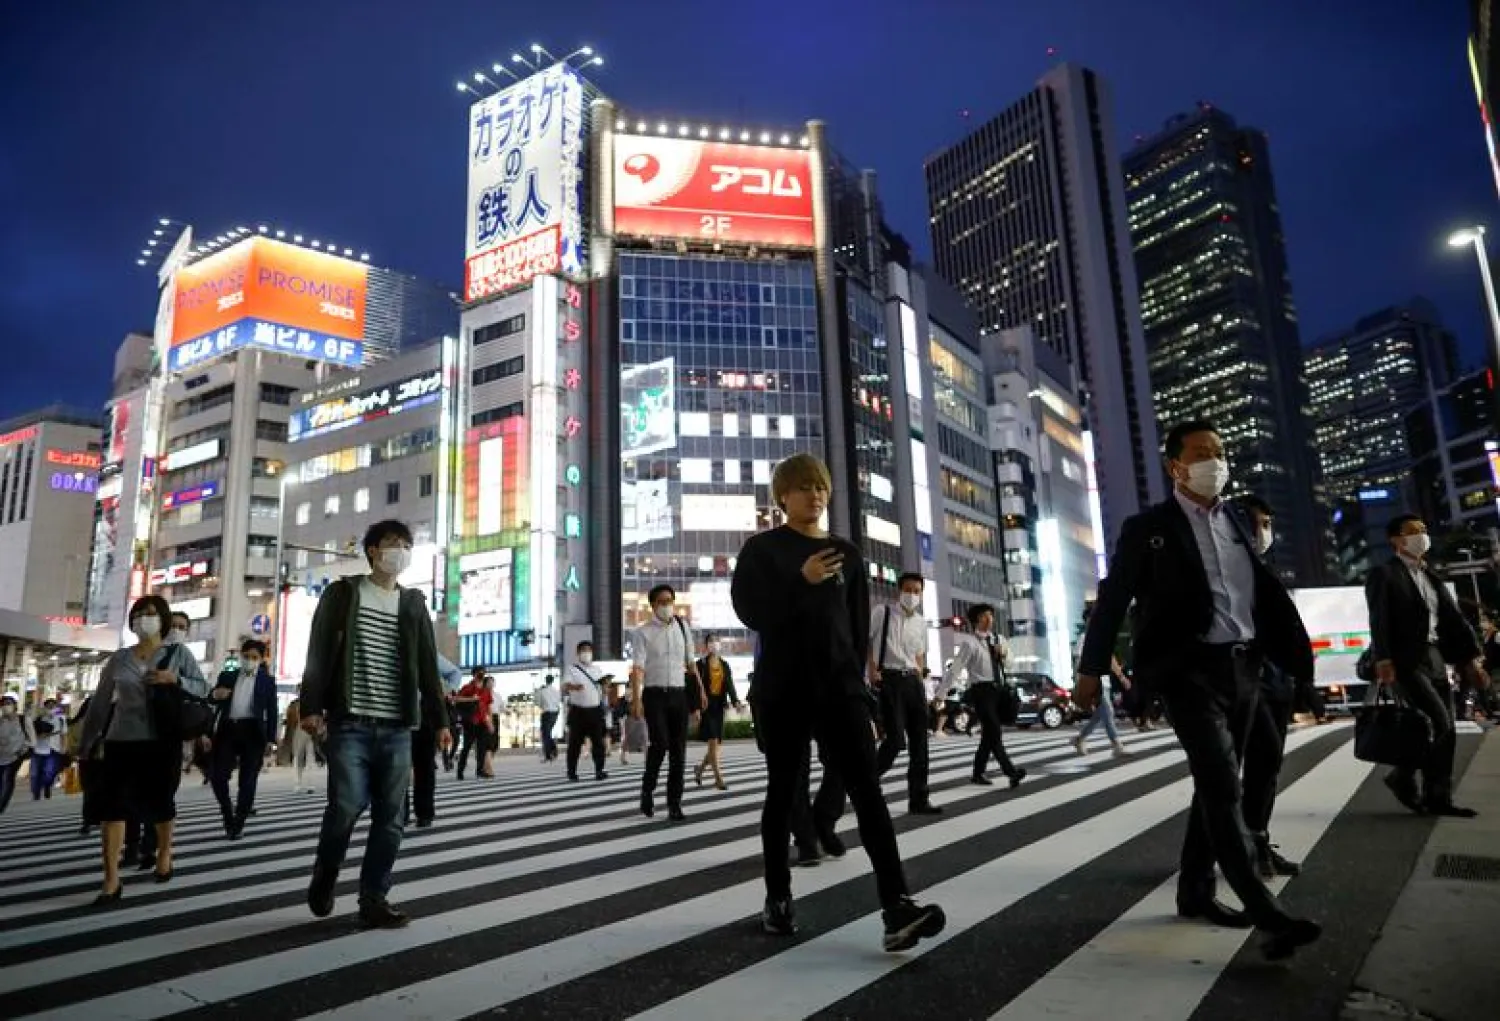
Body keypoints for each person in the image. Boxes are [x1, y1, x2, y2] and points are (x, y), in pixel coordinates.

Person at [1075, 420, 1321, 960]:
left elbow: (1256, 591)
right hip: (1188, 672)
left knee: (1216, 784)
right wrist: (1091, 668)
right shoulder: (1149, 528)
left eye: (1220, 451)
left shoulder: (1237, 520)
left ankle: (1194, 890)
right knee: (1221, 786)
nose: (1214, 460)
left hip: (1244, 668)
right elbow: (1114, 599)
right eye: (1201, 453)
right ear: (1175, 466)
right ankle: (1268, 915)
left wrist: (1287, 658)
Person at [731, 452, 945, 952]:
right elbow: (751, 613)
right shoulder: (763, 550)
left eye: (822, 486)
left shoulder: (848, 554)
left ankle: (897, 906)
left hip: (840, 689)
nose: (816, 494)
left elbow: (851, 630)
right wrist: (798, 581)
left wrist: (863, 696)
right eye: (804, 486)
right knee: (783, 790)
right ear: (783, 496)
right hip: (783, 689)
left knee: (868, 791)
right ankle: (778, 896)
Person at [299, 519, 452, 929]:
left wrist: (440, 719)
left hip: (398, 727)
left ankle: (374, 898)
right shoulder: (344, 594)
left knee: (392, 818)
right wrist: (310, 706)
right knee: (345, 807)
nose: (398, 550)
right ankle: (326, 872)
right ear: (372, 551)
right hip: (350, 723)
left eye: (405, 544)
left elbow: (426, 666)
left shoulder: (413, 603)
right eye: (390, 543)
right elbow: (317, 651)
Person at [1365, 514, 1487, 818]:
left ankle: (1434, 795)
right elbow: (1378, 619)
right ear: (1396, 539)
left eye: (1424, 530)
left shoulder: (1430, 576)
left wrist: (1469, 660)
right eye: (1413, 531)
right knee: (1439, 721)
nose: (1422, 536)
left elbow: (1452, 620)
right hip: (1405, 660)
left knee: (1444, 727)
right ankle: (1407, 780)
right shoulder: (1384, 574)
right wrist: (1383, 659)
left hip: (1433, 656)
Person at [75, 595, 191, 903]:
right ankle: (111, 879)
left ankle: (165, 851)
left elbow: (203, 689)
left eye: (151, 613)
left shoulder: (178, 654)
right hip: (120, 741)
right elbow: (100, 704)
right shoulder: (119, 658)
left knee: (161, 803)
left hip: (161, 742)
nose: (144, 618)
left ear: (163, 619)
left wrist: (173, 678)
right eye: (139, 613)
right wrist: (86, 742)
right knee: (112, 810)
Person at [1235, 495, 1303, 878]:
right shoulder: (1227, 567)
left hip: (1276, 678)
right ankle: (1245, 845)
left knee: (1269, 764)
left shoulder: (1267, 569)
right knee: (1260, 757)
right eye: (1257, 524)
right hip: (1243, 678)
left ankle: (1256, 839)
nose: (1264, 532)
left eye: (1267, 524)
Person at [630, 584, 707, 821]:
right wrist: (636, 698)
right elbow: (638, 668)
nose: (667, 605)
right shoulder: (642, 632)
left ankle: (675, 803)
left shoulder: (683, 628)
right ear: (653, 605)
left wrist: (701, 690)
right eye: (662, 602)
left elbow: (691, 663)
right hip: (654, 695)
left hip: (678, 694)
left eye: (670, 601)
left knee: (679, 751)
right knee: (660, 743)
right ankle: (647, 789)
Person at [871, 574, 940, 814]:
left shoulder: (921, 622)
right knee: (894, 741)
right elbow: (866, 642)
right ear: (899, 591)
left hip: (913, 681)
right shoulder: (883, 612)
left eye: (917, 591)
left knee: (920, 743)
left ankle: (919, 799)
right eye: (908, 590)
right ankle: (864, 782)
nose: (912, 595)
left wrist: (922, 682)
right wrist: (872, 670)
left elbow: (920, 655)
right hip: (889, 679)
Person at [950, 604, 1026, 788]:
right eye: (984, 616)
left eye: (990, 616)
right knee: (994, 731)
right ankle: (1011, 772)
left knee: (989, 736)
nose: (989, 619)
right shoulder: (970, 642)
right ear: (976, 620)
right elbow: (956, 669)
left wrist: (1004, 653)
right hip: (981, 692)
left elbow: (1010, 665)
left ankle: (977, 773)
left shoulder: (999, 639)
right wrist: (943, 693)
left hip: (999, 691)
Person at [208, 639, 279, 838]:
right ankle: (226, 811)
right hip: (228, 728)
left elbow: (272, 710)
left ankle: (238, 821)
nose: (249, 661)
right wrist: (216, 694)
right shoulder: (228, 675)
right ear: (241, 656)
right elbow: (211, 698)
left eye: (254, 657)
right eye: (246, 657)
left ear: (262, 659)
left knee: (247, 780)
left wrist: (271, 739)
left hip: (253, 732)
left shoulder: (267, 681)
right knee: (217, 775)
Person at [408, 652, 464, 828]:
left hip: (424, 712)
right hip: (398, 713)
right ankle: (399, 813)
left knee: (424, 764)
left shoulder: (426, 651)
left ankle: (424, 813)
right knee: (397, 767)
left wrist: (446, 692)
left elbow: (455, 673)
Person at [1071, 604, 1132, 759]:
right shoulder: (1083, 639)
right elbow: (1078, 663)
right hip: (1091, 681)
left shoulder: (1101, 637)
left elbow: (1110, 660)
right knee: (1108, 711)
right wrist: (1080, 683)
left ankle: (1079, 739)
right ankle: (1117, 745)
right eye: (1091, 618)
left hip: (1103, 681)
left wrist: (1122, 677)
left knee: (1100, 715)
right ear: (1087, 620)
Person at [694, 635, 742, 791]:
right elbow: (695, 688)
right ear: (706, 645)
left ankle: (700, 769)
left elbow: (730, 685)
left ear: (719, 645)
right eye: (710, 642)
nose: (713, 644)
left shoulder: (724, 665)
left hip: (719, 707)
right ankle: (718, 779)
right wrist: (695, 709)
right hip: (706, 706)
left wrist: (736, 701)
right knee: (713, 741)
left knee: (716, 746)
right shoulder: (700, 664)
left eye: (716, 642)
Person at [563, 641, 610, 782]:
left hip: (595, 711)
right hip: (578, 711)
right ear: (578, 653)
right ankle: (572, 772)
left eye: (589, 650)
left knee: (598, 743)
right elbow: (565, 686)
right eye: (583, 650)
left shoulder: (597, 670)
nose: (586, 653)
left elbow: (604, 690)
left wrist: (606, 687)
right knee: (574, 744)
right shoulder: (572, 669)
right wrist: (574, 687)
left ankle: (599, 770)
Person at [23, 696, 66, 800]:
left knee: (49, 773)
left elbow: (64, 734)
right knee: (35, 773)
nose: (51, 707)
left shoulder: (61, 718)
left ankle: (47, 786)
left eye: (53, 705)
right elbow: (30, 730)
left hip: (54, 748)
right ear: (45, 706)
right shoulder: (39, 717)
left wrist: (64, 746)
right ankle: (36, 794)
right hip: (38, 748)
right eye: (48, 705)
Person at [0, 694, 27, 814]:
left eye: (8, 704)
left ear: (14, 706)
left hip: (16, 756)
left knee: (8, 778)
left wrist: (21, 751)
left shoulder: (23, 720)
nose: (5, 707)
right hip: (1, 755)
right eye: (3, 704)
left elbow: (32, 740)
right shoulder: (1, 721)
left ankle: (2, 806)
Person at [535, 674, 563, 763]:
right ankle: (552, 752)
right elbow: (558, 702)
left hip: (546, 713)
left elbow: (538, 702)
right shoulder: (556, 691)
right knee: (547, 733)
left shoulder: (542, 690)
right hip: (555, 713)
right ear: (552, 681)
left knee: (545, 734)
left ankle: (550, 754)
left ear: (545, 680)